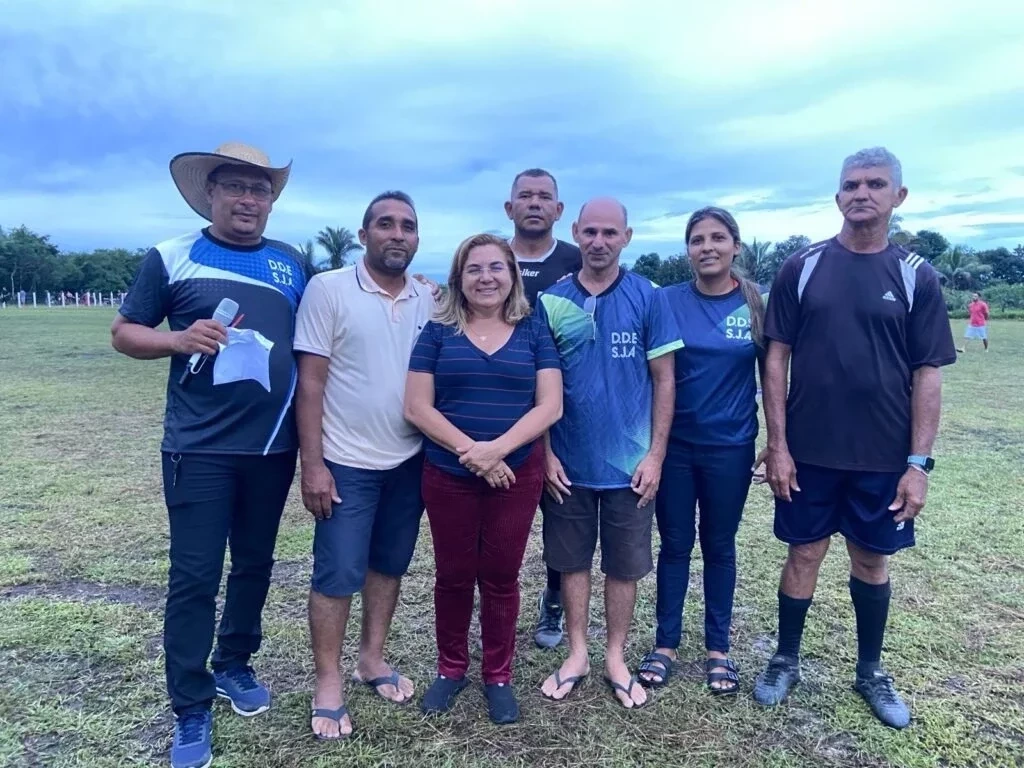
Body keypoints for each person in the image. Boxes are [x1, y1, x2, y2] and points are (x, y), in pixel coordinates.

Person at [111, 142, 305, 768]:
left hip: (273, 447)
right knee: (194, 578)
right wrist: (176, 338)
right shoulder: (172, 256)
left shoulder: (292, 262)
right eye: (236, 188)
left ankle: (234, 664)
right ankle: (191, 707)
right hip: (198, 449)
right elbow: (124, 332)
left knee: (254, 564)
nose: (249, 199)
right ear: (211, 194)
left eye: (260, 190)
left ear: (271, 202)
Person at [751, 147, 957, 729]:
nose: (861, 193)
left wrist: (918, 463)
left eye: (875, 183)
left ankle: (870, 670)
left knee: (872, 560)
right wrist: (779, 444)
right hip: (809, 452)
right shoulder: (803, 267)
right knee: (804, 553)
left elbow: (928, 372)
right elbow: (776, 358)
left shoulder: (917, 275)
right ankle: (785, 659)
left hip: (883, 457)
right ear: (837, 195)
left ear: (899, 196)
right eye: (850, 184)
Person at [404, 234, 563, 724]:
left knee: (501, 577)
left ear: (512, 276)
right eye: (474, 269)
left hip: (516, 475)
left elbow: (550, 405)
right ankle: (451, 669)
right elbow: (416, 406)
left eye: (497, 267)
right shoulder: (436, 332)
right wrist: (473, 453)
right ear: (459, 278)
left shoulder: (534, 330)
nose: (486, 277)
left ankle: (498, 675)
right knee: (452, 576)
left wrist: (498, 451)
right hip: (449, 474)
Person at [293, 191, 434, 740]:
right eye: (385, 224)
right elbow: (310, 383)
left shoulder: (428, 297)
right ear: (364, 234)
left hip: (410, 459)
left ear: (417, 238)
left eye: (408, 226)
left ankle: (371, 660)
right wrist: (314, 465)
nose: (397, 234)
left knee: (389, 565)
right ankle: (328, 682)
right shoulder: (328, 290)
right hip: (346, 462)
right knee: (337, 574)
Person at [536, 197, 682, 709]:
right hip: (567, 466)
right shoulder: (551, 301)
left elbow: (665, 382)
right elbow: (542, 389)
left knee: (623, 566)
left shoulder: (648, 296)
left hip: (630, 467)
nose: (599, 242)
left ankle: (615, 655)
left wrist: (656, 455)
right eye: (590, 232)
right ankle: (577, 653)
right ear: (575, 232)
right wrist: (546, 454)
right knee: (572, 562)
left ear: (627, 236)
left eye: (610, 233)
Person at [637, 207, 766, 695]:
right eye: (696, 239)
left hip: (730, 447)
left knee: (718, 545)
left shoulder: (756, 304)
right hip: (672, 448)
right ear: (687, 249)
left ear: (735, 245)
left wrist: (778, 440)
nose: (706, 247)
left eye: (717, 238)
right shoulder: (666, 300)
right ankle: (665, 644)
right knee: (673, 545)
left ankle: (718, 649)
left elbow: (775, 375)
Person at [504, 167, 583, 649]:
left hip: (562, 411)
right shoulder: (489, 258)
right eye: (524, 196)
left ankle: (553, 600)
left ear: (558, 210)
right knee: (501, 521)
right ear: (509, 208)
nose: (534, 203)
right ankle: (496, 601)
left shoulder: (578, 261)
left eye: (544, 197)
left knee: (562, 514)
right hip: (499, 407)